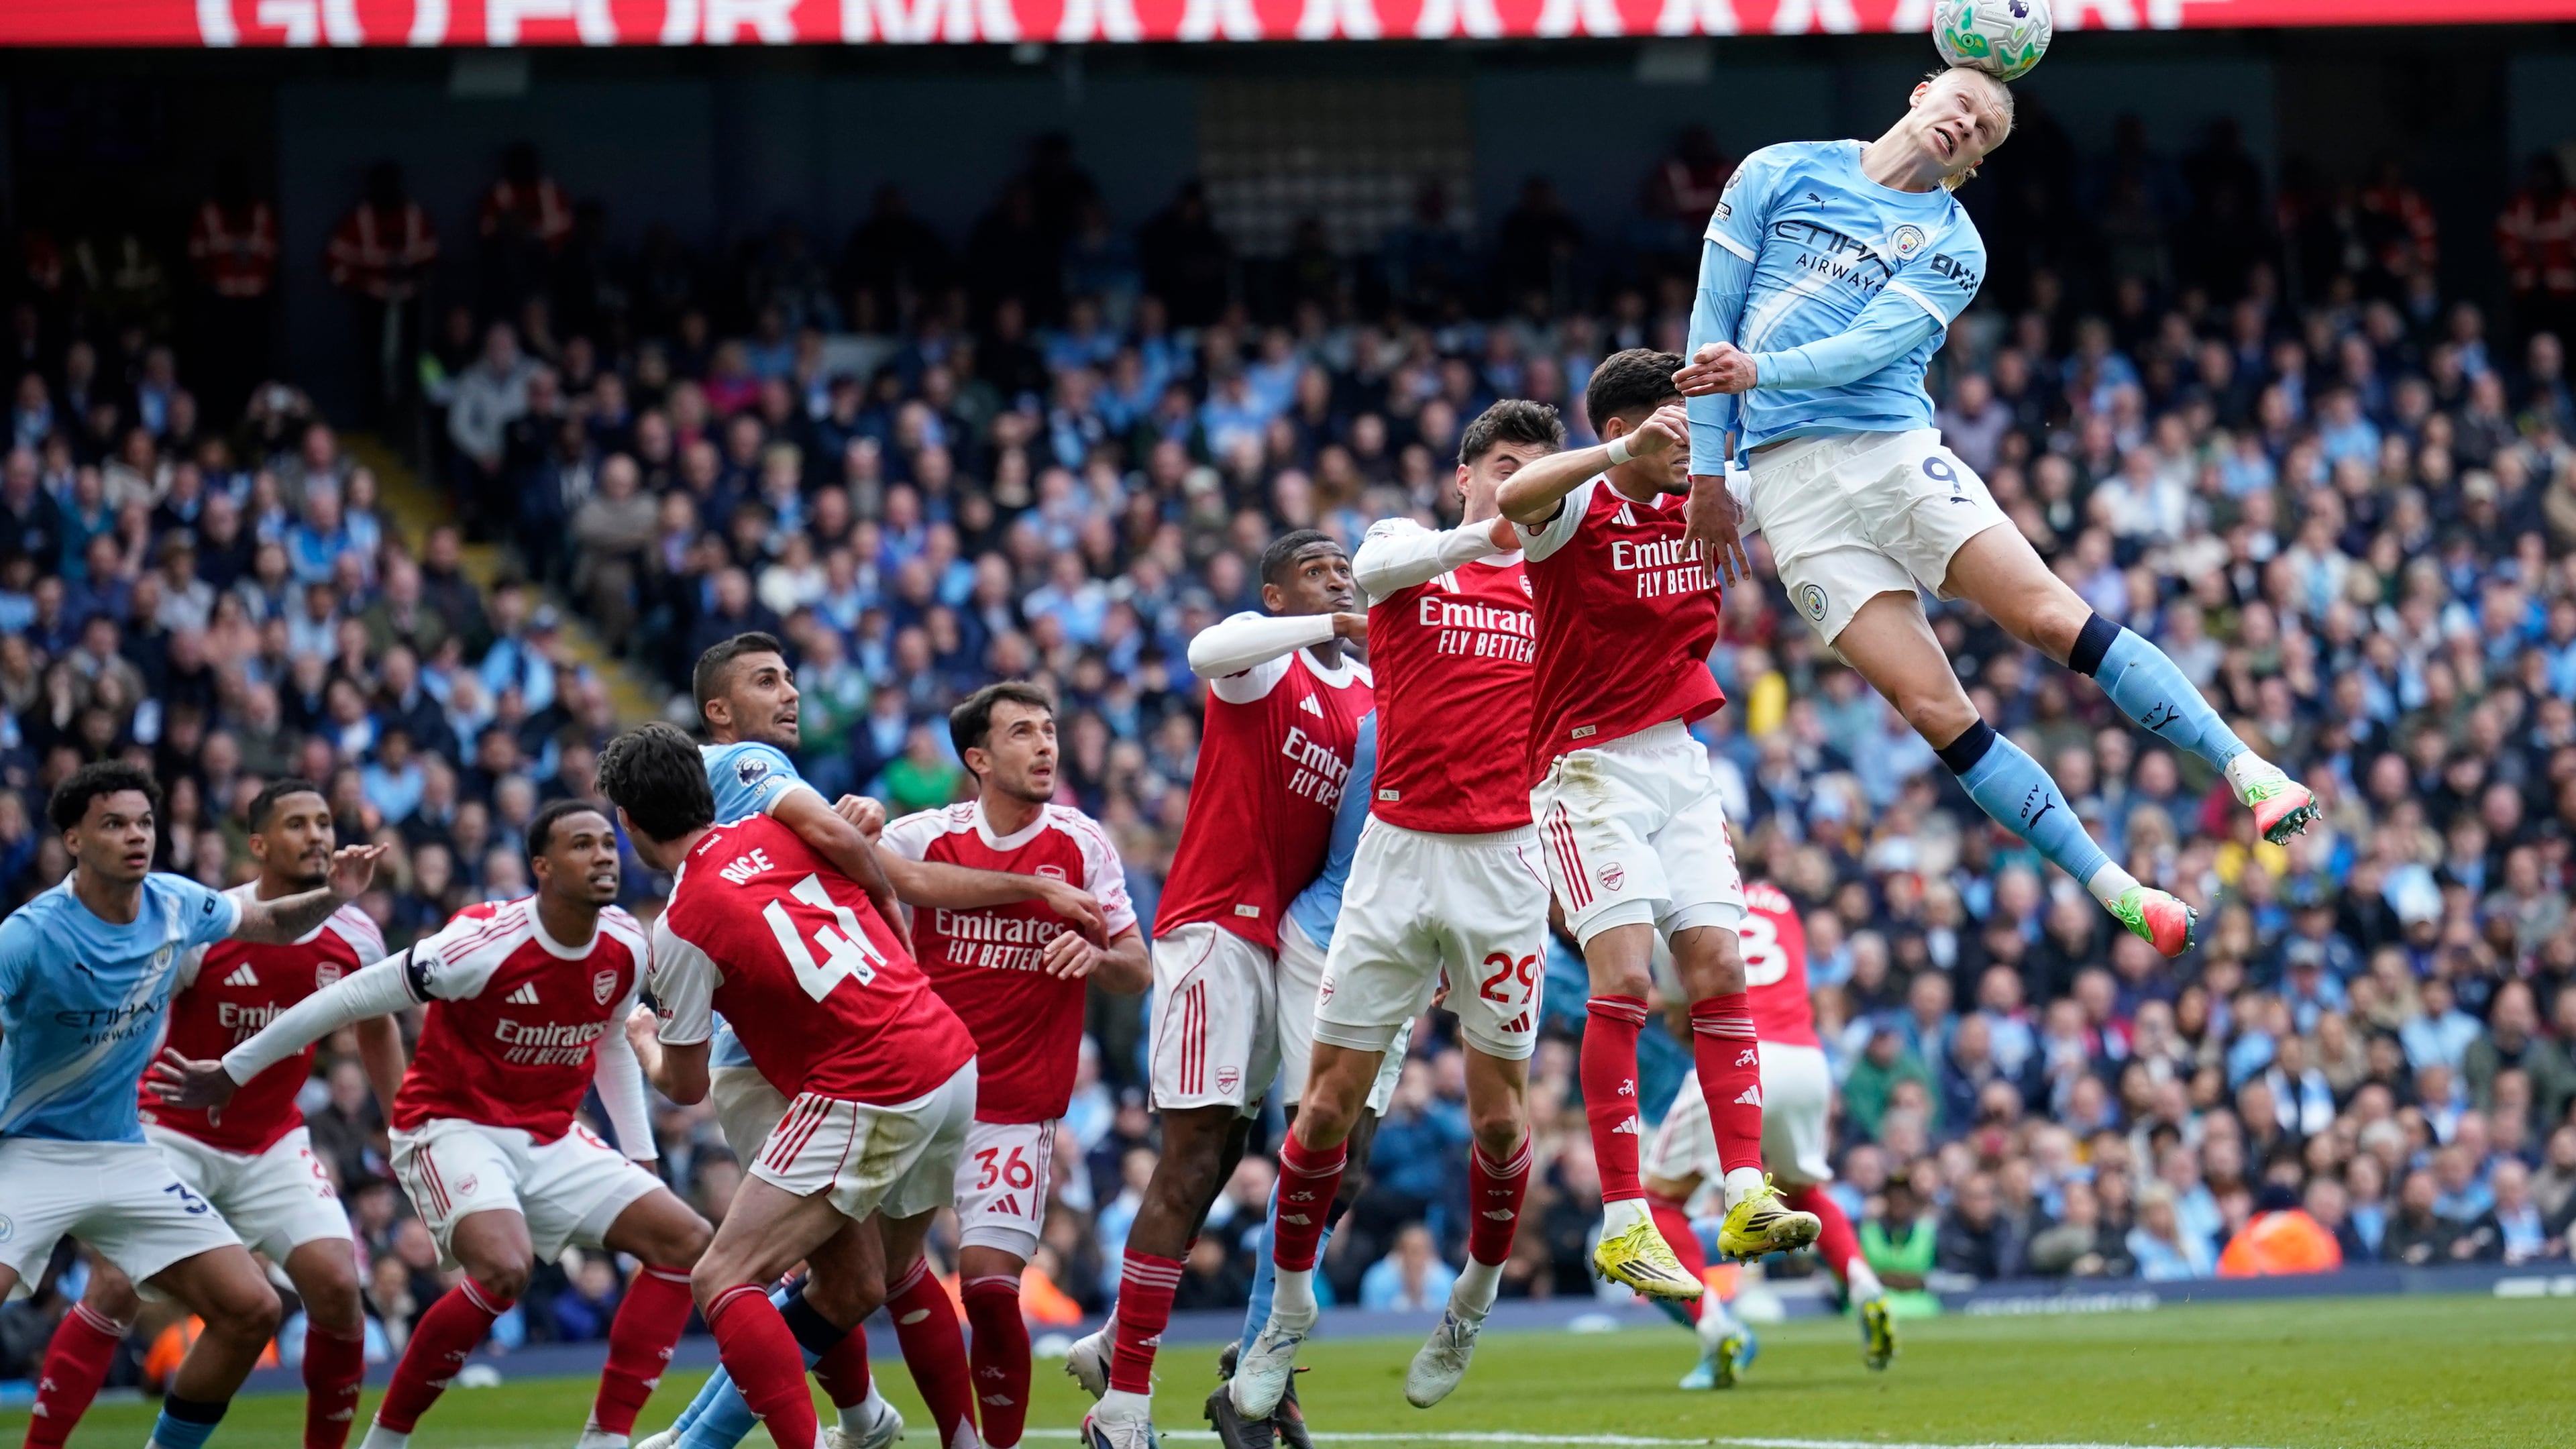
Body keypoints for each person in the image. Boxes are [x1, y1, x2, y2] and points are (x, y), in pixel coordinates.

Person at [1673, 65, 2314, 959]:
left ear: (1973, 164)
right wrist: (1710, 471)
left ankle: (2252, 770)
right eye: (1961, 106)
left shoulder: (1953, 246)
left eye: (1982, 134)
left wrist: (1759, 373)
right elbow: (1711, 317)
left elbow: (1863, 350)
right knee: (1935, 711)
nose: (1966, 125)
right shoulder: (1776, 170)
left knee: (2050, 618)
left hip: (1889, 456)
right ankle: (2121, 891)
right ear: (1920, 91)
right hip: (1791, 496)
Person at [154, 801, 714, 1449]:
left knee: (685, 1241)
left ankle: (606, 1438)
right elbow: (349, 995)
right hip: (451, 1126)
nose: (604, 857)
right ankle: (387, 1439)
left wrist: (640, 1156)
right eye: (582, 845)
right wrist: (234, 1069)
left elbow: (611, 1037)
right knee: (506, 1268)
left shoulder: (626, 943)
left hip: (551, 1132)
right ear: (542, 866)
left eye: (608, 845)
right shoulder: (478, 944)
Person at [663, 634, 1108, 1449]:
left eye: (792, 676)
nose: (791, 693)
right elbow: (867, 867)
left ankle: (865, 1423)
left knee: (870, 1274)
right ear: (719, 712)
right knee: (834, 1276)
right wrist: (861, 855)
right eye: (768, 682)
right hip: (773, 1062)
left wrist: (849, 824)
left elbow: (826, 860)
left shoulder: (771, 791)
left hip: (841, 1059)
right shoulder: (742, 768)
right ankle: (734, 1434)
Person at [1232, 398, 1565, 1426]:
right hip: (1397, 858)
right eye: (1505, 466)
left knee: (1503, 1118)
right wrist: (1493, 524)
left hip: (1506, 866)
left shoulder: (1561, 582)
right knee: (1324, 1105)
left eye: (1539, 472)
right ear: (1466, 474)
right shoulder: (1405, 546)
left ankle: (1473, 1295)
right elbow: (1373, 577)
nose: (1521, 485)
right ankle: (1285, 1315)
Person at [1493, 349, 1821, 1302]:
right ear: (1626, 432)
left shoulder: (1710, 492)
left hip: (1680, 760)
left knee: (1718, 970)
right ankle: (1625, 1218)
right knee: (1628, 975)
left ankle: (1749, 1189)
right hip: (1584, 768)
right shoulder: (1575, 510)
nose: (1693, 452)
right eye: (1674, 434)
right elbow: (1517, 498)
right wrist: (1622, 451)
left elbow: (1805, 467)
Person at [598, 721, 981, 1449]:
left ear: (628, 821)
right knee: (867, 1280)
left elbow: (683, 1086)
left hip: (874, 1081)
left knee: (721, 1279)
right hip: (948, 1054)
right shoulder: (783, 833)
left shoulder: (679, 926)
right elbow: (857, 861)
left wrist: (645, 1038)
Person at [1076, 530, 1373, 1449]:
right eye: (1315, 567)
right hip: (1216, 928)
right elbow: (1209, 649)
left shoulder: (1369, 693)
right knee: (1199, 1151)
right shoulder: (1260, 661)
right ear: (1277, 597)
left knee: (1337, 1155)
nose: (1339, 572)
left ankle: (1224, 1353)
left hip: (1302, 945)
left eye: (1345, 564)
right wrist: (1324, 621)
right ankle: (1123, 1402)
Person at [2, 761, 386, 1449]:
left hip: (148, 1151)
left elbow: (268, 921)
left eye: (144, 823)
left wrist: (335, 896)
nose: (135, 837)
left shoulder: (179, 906)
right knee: (113, 1290)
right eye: (114, 824)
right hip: (60, 1146)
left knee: (258, 1307)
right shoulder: (30, 937)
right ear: (74, 841)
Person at [868, 682, 1150, 1449]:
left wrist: (1095, 956)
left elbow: (1138, 966)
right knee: (873, 1278)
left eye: (1051, 730)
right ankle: (908, 1427)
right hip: (919, 1097)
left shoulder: (1083, 843)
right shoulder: (925, 836)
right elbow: (875, 863)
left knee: (992, 1290)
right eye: (1023, 732)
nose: (1046, 745)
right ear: (978, 759)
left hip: (1016, 1104)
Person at [1639, 879, 1893, 1387]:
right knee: (1802, 1190)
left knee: (1656, 1206)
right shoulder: (1781, 903)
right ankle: (1865, 1286)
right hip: (1805, 1059)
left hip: (1740, 1055)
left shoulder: (1679, 905)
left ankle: (1715, 1326)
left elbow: (1678, 1013)